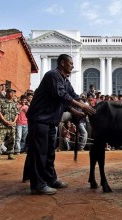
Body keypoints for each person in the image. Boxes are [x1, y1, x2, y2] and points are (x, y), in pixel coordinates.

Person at [25, 54, 95, 195]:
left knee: (50, 152)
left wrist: (79, 108)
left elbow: (72, 95)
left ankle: (50, 179)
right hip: (40, 119)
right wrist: (81, 106)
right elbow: (61, 95)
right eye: (70, 63)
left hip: (50, 120)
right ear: (62, 63)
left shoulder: (64, 80)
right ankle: (38, 185)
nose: (72, 66)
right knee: (41, 152)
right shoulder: (53, 75)